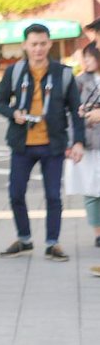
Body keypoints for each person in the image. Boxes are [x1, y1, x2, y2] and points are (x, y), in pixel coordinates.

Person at [0, 22, 86, 261]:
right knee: (15, 193)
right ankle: (24, 240)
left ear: (50, 43)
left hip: (52, 144)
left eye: (43, 43)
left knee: (53, 196)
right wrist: (13, 113)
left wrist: (78, 142)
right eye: (33, 44)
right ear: (25, 45)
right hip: (22, 144)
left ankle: (52, 243)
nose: (38, 49)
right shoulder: (14, 72)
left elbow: (76, 111)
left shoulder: (63, 74)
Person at [65, 42, 100, 248]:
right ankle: (97, 232)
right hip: (88, 142)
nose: (85, 60)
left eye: (89, 56)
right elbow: (70, 114)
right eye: (83, 57)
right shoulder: (79, 82)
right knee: (91, 189)